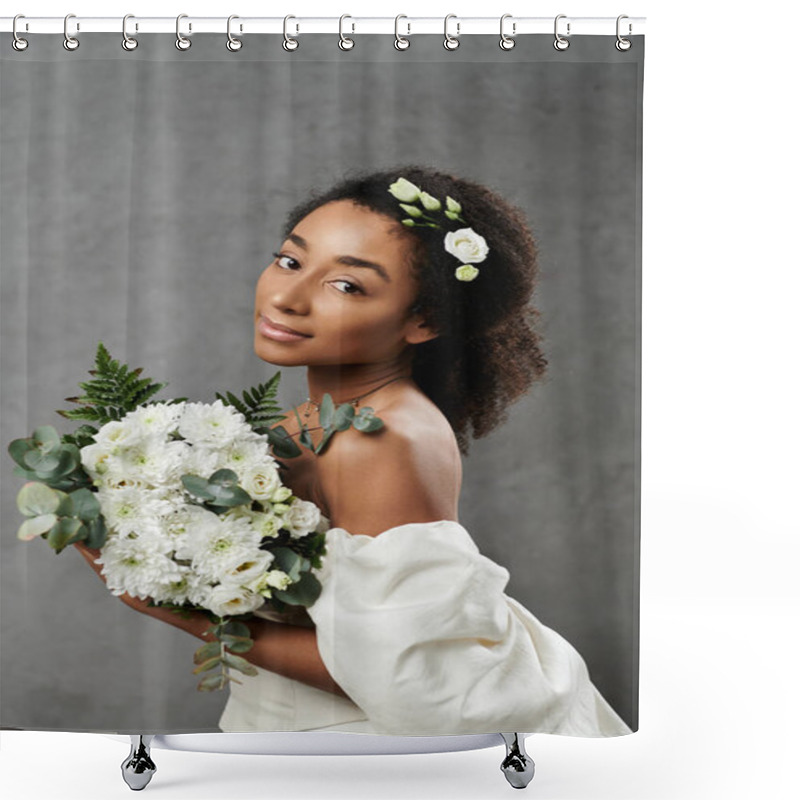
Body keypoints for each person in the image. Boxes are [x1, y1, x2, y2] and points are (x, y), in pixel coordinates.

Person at [75, 165, 632, 737]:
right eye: (290, 260)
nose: (287, 297)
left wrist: (165, 607)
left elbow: (416, 685)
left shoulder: (381, 440)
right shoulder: (316, 421)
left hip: (363, 748)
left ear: (425, 320)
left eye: (345, 285)